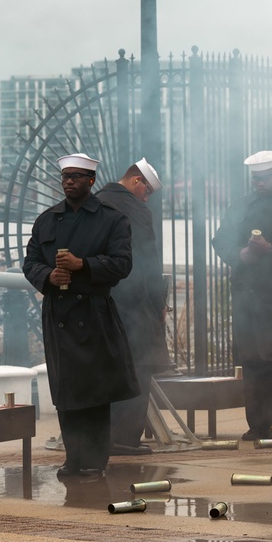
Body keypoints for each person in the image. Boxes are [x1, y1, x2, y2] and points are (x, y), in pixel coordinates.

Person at [22, 153, 138, 477]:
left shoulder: (113, 219)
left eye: (76, 176)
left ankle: (94, 462)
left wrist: (83, 265)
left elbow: (122, 264)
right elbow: (30, 262)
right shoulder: (46, 220)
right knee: (66, 390)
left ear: (91, 181)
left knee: (95, 390)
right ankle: (74, 459)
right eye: (65, 176)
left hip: (94, 311)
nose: (69, 181)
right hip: (58, 312)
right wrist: (47, 276)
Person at [211, 150, 272, 440]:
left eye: (265, 178)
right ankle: (257, 424)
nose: (259, 184)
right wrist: (241, 254)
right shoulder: (240, 207)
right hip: (247, 296)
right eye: (256, 179)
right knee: (252, 360)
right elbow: (221, 241)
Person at [95, 158, 169, 455]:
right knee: (138, 366)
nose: (147, 197)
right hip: (133, 303)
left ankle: (101, 436)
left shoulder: (96, 202)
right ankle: (125, 438)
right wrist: (159, 302)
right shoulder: (135, 210)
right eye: (147, 190)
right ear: (136, 180)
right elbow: (148, 260)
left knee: (105, 367)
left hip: (100, 300)